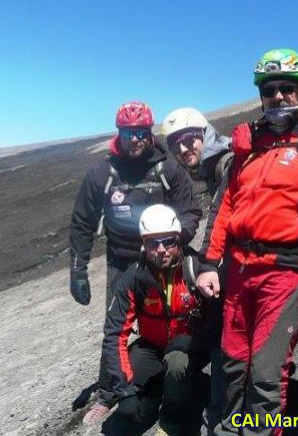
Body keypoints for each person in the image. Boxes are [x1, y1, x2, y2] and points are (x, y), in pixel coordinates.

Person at [196, 48, 298, 436]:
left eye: (287, 88)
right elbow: (225, 206)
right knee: (234, 363)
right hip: (238, 270)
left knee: (268, 371)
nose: (278, 97)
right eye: (269, 90)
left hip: (287, 272)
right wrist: (208, 262)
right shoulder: (248, 146)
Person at [69, 101, 202, 423]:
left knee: (178, 311)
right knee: (115, 326)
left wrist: (174, 242)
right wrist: (78, 269)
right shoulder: (102, 172)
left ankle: (182, 369)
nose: (136, 139)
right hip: (122, 259)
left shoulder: (166, 168)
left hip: (164, 256)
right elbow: (83, 222)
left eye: (142, 132)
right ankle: (110, 391)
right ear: (119, 133)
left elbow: (190, 210)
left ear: (149, 132)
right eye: (129, 133)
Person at [102, 204, 209, 436]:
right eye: (153, 243)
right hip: (152, 346)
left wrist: (195, 342)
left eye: (168, 241)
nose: (161, 249)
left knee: (178, 364)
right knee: (130, 408)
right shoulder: (134, 278)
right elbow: (114, 336)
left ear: (178, 239)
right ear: (144, 244)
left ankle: (171, 419)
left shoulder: (197, 269)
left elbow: (220, 320)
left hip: (188, 349)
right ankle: (164, 390)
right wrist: (125, 392)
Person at [162, 107, 233, 434]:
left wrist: (205, 264)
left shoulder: (226, 164)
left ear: (205, 134)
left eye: (190, 139)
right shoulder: (214, 166)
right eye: (176, 143)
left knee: (225, 338)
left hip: (248, 266)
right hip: (241, 263)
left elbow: (221, 217)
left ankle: (222, 418)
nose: (183, 148)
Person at [162, 107, 233, 199]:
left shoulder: (229, 165)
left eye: (189, 140)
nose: (183, 150)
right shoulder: (208, 171)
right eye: (175, 147)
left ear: (204, 135)